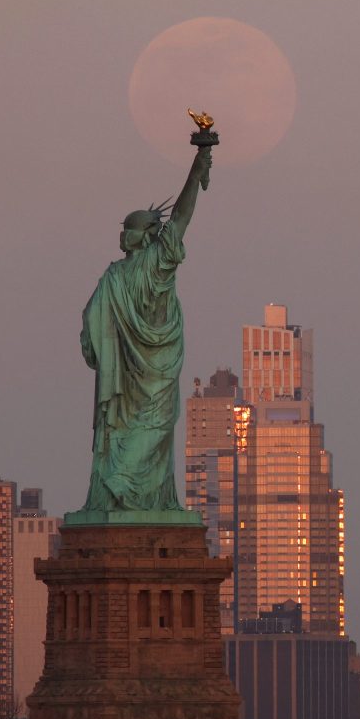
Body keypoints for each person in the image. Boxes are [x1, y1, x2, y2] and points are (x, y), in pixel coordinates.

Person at [78, 143, 212, 514]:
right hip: (151, 373)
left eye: (128, 229)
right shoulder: (135, 269)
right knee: (148, 436)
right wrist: (197, 168)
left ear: (141, 234)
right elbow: (182, 219)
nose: (123, 235)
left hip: (135, 378)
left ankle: (129, 497)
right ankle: (130, 498)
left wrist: (197, 168)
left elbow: (89, 337)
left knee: (135, 437)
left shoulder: (131, 271)